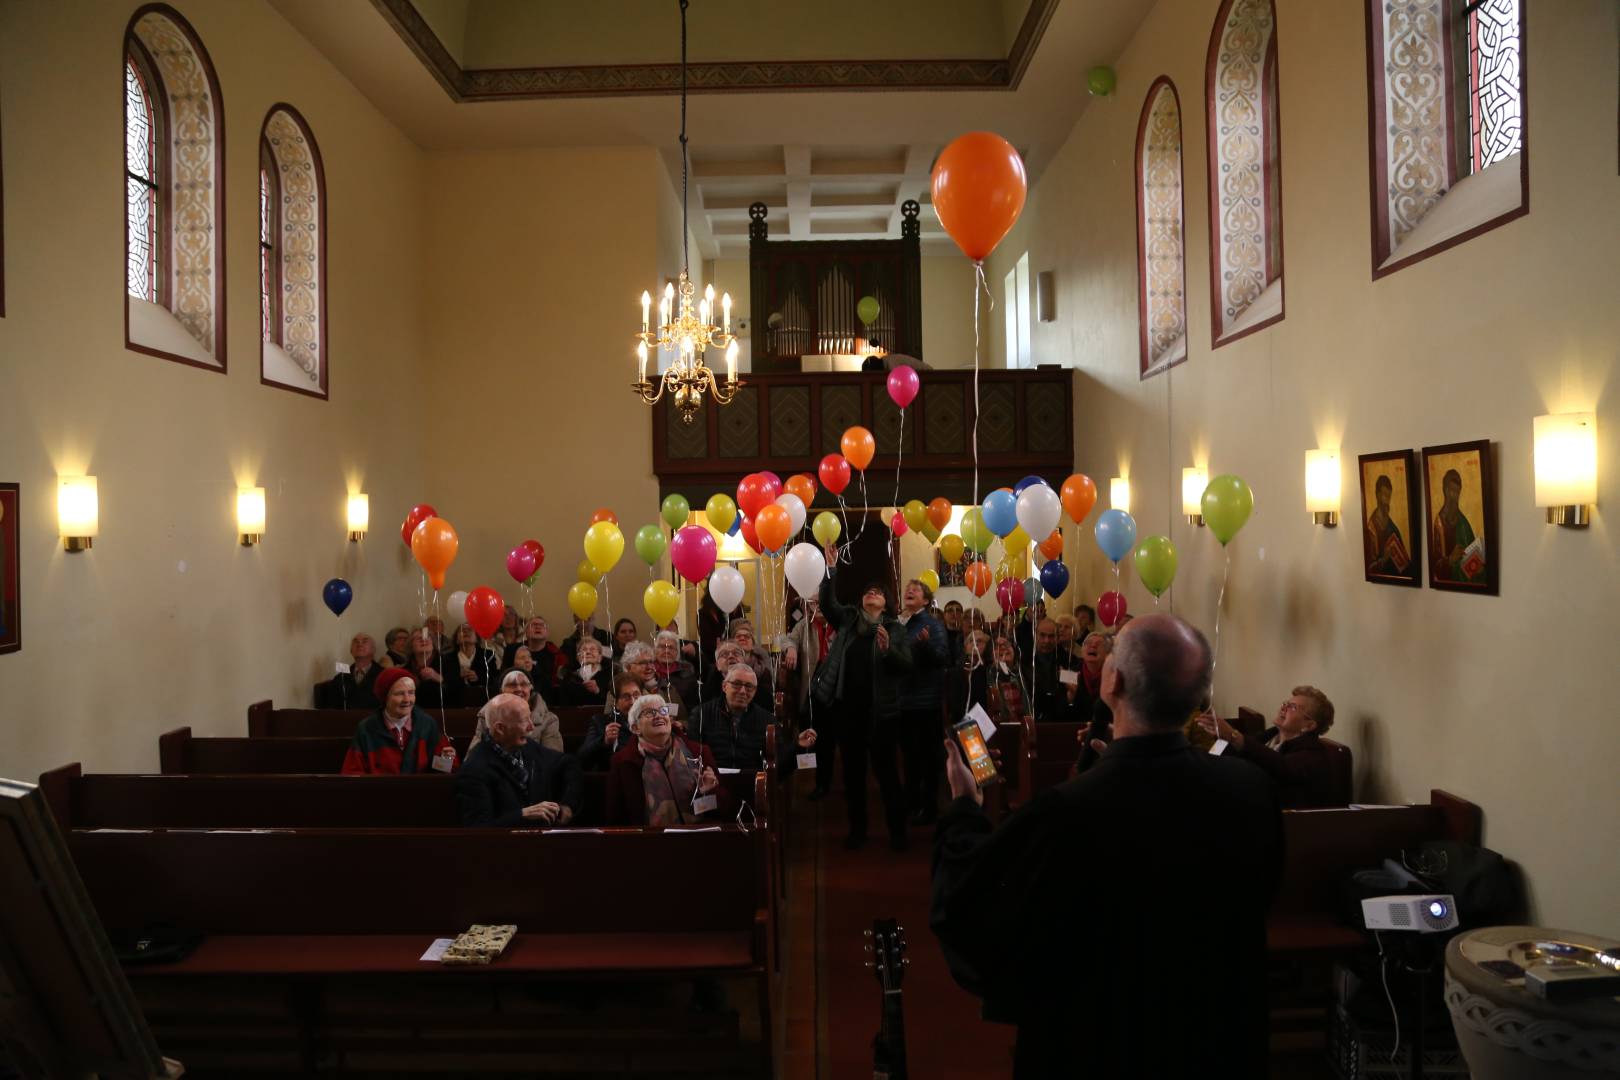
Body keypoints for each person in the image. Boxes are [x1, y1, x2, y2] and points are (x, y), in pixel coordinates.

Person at [931, 614, 1283, 1078]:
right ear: (1198, 697)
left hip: (1099, 1044)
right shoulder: (1250, 788)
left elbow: (970, 911)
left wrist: (964, 809)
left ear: (1111, 681)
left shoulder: (1066, 811)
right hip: (1213, 1039)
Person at [814, 544, 913, 850]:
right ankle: (857, 831)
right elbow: (827, 604)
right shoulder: (847, 621)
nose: (872, 594)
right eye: (868, 591)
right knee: (853, 778)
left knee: (887, 777)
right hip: (847, 711)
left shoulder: (894, 629)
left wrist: (887, 651)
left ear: (885, 604)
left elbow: (905, 665)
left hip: (881, 715)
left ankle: (898, 834)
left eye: (878, 592)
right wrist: (830, 571)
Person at [1197, 686, 1342, 808]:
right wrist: (1223, 739)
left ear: (1309, 725)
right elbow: (1231, 759)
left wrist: (1234, 736)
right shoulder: (1270, 735)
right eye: (1286, 703)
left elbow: (1281, 765)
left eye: (1293, 707)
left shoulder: (1313, 755)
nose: (1283, 707)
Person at [455, 693, 583, 827]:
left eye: (530, 718)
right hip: (505, 846)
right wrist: (522, 815)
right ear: (500, 728)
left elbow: (568, 763)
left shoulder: (525, 746)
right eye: (524, 721)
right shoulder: (474, 771)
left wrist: (568, 805)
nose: (532, 727)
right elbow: (477, 830)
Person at [606, 694, 735, 826]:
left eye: (663, 710)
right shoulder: (622, 761)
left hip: (698, 834)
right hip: (649, 840)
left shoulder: (699, 752)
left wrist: (709, 791)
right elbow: (615, 815)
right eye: (649, 713)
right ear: (635, 728)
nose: (658, 716)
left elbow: (725, 808)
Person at [687, 663, 816, 772]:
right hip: (712, 783)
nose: (743, 691)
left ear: (755, 691)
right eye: (737, 684)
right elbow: (692, 756)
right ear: (724, 686)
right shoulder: (701, 714)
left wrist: (797, 745)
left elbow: (778, 763)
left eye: (749, 687)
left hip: (752, 786)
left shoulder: (768, 721)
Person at [897, 578, 949, 826]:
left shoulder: (933, 625)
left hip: (926, 703)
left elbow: (941, 658)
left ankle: (929, 808)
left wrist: (924, 647)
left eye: (915, 590)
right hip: (904, 701)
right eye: (908, 588)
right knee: (909, 758)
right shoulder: (900, 623)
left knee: (928, 759)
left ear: (926, 600)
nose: (909, 591)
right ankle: (911, 804)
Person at [341, 667, 459, 775]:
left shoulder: (427, 724)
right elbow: (352, 774)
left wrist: (447, 760)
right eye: (399, 694)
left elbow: (441, 771)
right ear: (385, 697)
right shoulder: (366, 729)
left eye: (411, 693)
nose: (407, 699)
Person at [780, 597, 834, 796]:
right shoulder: (805, 625)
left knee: (832, 741)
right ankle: (817, 784)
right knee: (815, 737)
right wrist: (791, 648)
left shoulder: (839, 623)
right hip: (813, 689)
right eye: (812, 603)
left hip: (836, 691)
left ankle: (831, 782)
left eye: (820, 602)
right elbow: (786, 638)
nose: (816, 607)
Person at [478, 668, 563, 753]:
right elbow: (474, 757)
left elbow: (554, 760)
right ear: (501, 691)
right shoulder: (485, 717)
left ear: (531, 688)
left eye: (524, 684)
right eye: (512, 685)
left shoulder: (549, 720)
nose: (519, 689)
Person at [1430, 467, 1483, 583]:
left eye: (1457, 492)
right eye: (1451, 490)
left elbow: (1475, 553)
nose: (1454, 496)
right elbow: (1434, 567)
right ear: (1445, 490)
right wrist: (1449, 560)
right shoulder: (1439, 524)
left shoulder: (1463, 522)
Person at [579, 674, 640, 770]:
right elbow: (582, 757)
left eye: (636, 695)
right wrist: (604, 740)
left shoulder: (651, 721)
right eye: (626, 697)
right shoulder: (600, 722)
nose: (633, 701)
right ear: (616, 702)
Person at [320, 632, 383, 710]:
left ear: (373, 649)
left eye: (364, 641)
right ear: (351, 650)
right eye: (355, 642)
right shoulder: (340, 677)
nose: (359, 644)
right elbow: (332, 706)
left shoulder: (383, 675)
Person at [1364, 473, 1412, 576]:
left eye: (1389, 496)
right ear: (1377, 495)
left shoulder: (1393, 528)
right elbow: (1369, 569)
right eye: (1384, 495)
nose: (1387, 501)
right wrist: (1384, 558)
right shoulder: (1371, 529)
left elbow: (1405, 564)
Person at [449, 622, 498, 707]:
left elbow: (494, 678)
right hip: (455, 702)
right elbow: (445, 681)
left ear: (477, 638)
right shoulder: (447, 658)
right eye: (462, 630)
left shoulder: (488, 655)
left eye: (470, 630)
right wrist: (458, 675)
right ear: (456, 639)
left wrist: (478, 677)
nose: (466, 632)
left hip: (483, 701)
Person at [506, 617, 563, 689]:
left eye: (542, 625)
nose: (538, 627)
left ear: (547, 633)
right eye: (533, 625)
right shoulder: (512, 650)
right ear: (525, 632)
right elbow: (503, 676)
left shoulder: (556, 654)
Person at [650, 630, 698, 709]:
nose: (667, 651)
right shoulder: (648, 671)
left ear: (676, 652)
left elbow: (694, 705)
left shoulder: (687, 672)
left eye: (671, 647)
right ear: (655, 650)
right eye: (662, 647)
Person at [407, 629, 453, 711]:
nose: (423, 640)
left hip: (443, 712)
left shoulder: (449, 663)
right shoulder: (405, 669)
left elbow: (457, 692)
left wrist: (439, 678)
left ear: (433, 644)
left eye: (428, 637)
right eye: (418, 638)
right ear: (411, 646)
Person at [559, 637, 611, 707]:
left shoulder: (610, 675)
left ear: (600, 657)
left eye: (592, 649)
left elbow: (614, 703)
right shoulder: (569, 677)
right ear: (578, 657)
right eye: (584, 649)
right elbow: (564, 704)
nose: (588, 652)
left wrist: (598, 691)